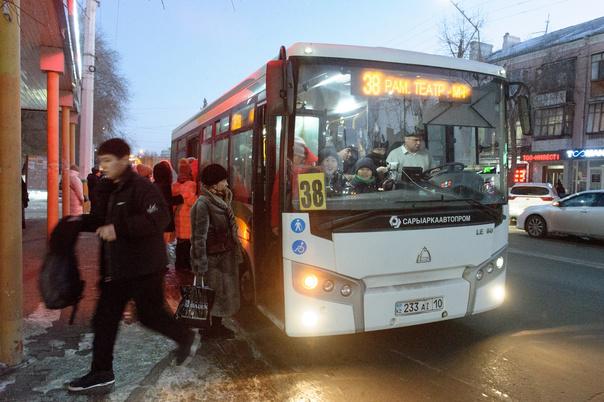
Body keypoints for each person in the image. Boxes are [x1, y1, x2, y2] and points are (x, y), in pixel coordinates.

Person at [67, 138, 199, 394]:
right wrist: (74, 223)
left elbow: (159, 217)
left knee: (150, 316)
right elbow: (99, 220)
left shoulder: (141, 187)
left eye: (108, 161)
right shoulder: (111, 188)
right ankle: (101, 372)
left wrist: (119, 229)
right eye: (101, 161)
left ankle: (185, 337)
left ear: (124, 160)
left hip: (144, 268)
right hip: (118, 269)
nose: (102, 166)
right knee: (105, 320)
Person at [190, 163, 243, 339]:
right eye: (223, 180)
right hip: (213, 260)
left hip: (224, 257)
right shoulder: (203, 204)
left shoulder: (221, 199)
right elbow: (199, 237)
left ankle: (216, 327)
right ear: (213, 183)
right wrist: (200, 264)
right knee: (213, 294)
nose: (227, 184)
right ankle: (210, 329)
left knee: (221, 294)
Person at [172, 159, 197, 271]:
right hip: (187, 219)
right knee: (187, 245)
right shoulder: (191, 185)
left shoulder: (175, 186)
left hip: (178, 218)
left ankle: (179, 264)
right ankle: (185, 265)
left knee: (180, 243)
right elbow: (192, 202)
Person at [153, 160, 182, 243]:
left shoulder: (154, 185)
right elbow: (166, 200)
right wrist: (180, 198)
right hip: (165, 224)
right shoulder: (165, 186)